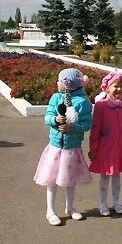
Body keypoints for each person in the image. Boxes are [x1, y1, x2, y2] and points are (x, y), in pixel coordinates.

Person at [34, 68, 93, 226]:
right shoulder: (56, 98)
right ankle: (50, 211)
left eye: (59, 81)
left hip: (72, 148)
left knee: (70, 180)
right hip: (55, 147)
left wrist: (73, 127)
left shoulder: (83, 102)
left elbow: (87, 123)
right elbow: (47, 117)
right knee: (51, 180)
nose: (57, 83)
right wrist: (55, 119)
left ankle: (70, 207)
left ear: (67, 85)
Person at [88, 71, 122, 216]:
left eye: (121, 86)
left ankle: (117, 203)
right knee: (105, 177)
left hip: (120, 148)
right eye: (115, 86)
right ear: (107, 87)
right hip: (105, 149)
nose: (119, 89)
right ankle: (102, 204)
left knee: (117, 176)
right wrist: (92, 148)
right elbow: (95, 129)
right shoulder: (101, 106)